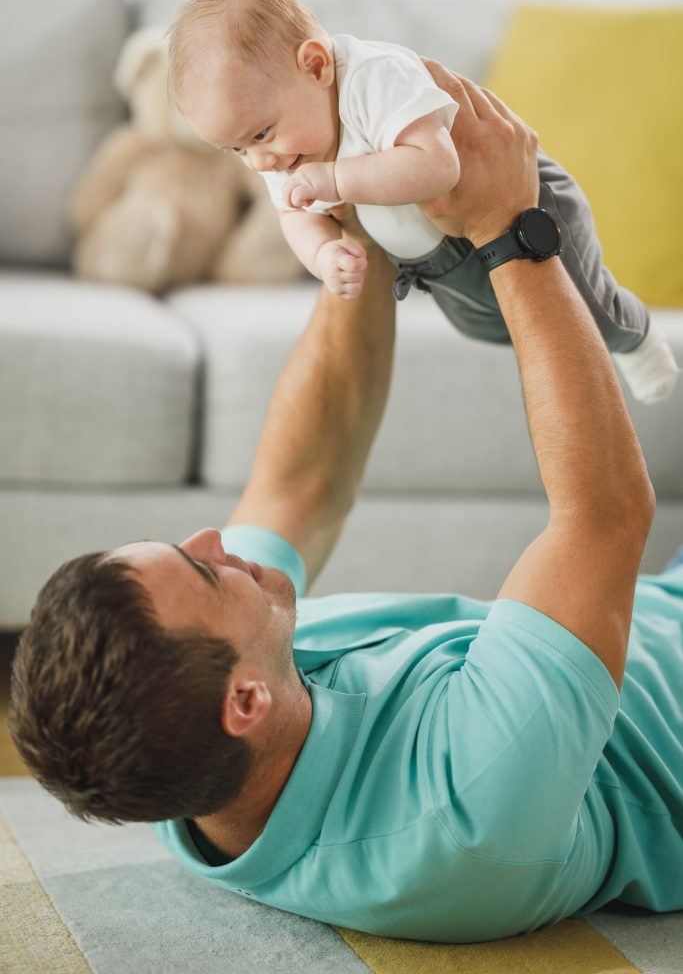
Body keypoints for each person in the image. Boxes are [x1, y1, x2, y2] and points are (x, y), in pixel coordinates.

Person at [9, 65, 682, 945]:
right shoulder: (462, 819)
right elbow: (601, 516)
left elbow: (303, 483)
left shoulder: (210, 771)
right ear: (243, 703)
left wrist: (351, 226)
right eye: (201, 573)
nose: (214, 538)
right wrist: (514, 230)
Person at [165, 0, 680, 405]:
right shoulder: (281, 143)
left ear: (316, 65)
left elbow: (437, 167)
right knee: (492, 329)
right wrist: (323, 253)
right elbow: (293, 214)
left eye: (259, 136)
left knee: (587, 311)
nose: (259, 161)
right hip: (439, 263)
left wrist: (338, 180)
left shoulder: (373, 80)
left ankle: (637, 337)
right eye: (236, 151)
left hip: (527, 206)